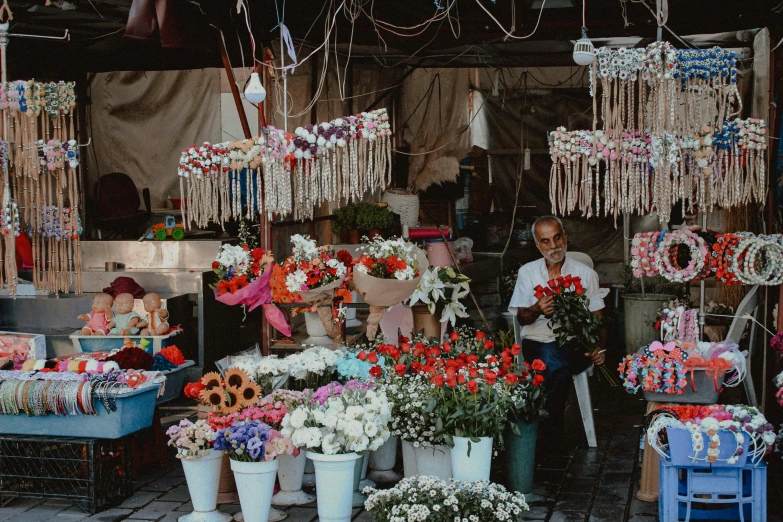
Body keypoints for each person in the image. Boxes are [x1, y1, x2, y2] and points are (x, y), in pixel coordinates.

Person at [508, 216, 607, 441]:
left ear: (565, 237)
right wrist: (536, 308)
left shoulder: (586, 274)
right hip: (536, 343)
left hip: (575, 345)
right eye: (545, 241)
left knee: (554, 364)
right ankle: (550, 432)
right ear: (537, 244)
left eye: (557, 238)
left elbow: (598, 318)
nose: (553, 246)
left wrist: (599, 347)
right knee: (553, 361)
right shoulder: (528, 272)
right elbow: (522, 319)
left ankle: (544, 432)